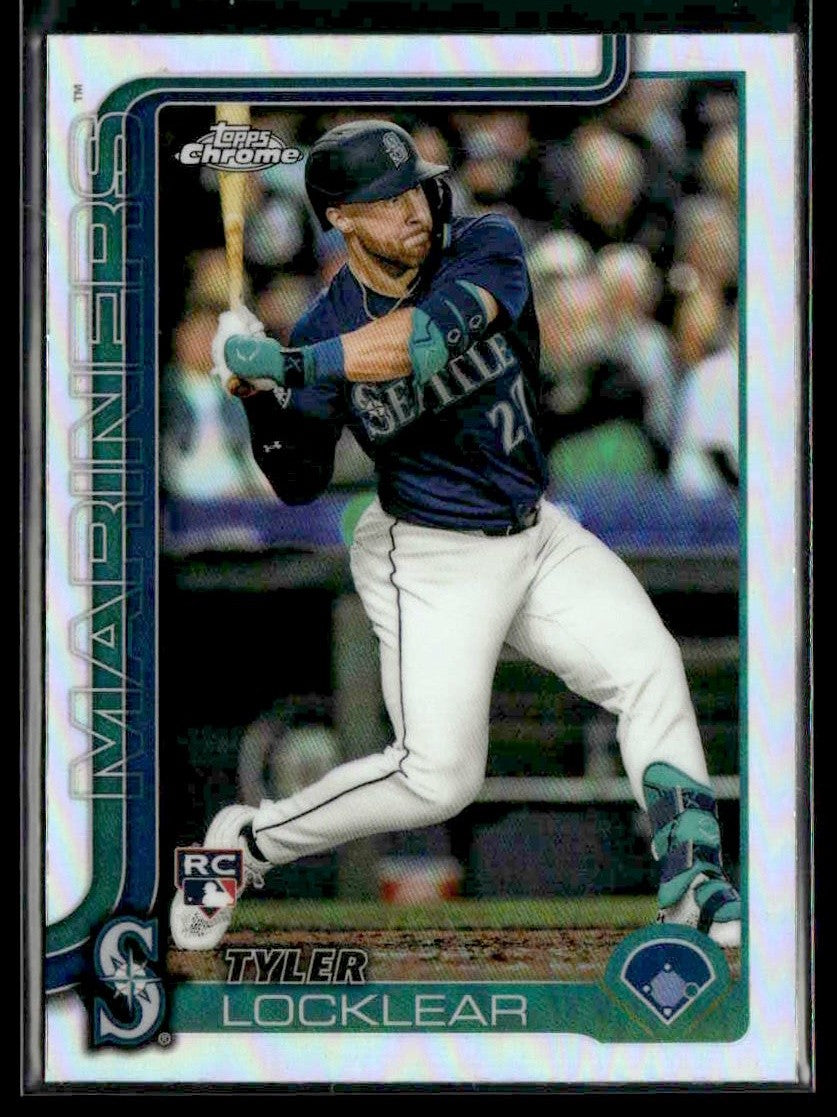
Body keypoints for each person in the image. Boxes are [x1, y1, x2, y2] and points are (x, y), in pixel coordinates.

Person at [170, 120, 741, 950]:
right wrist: (257, 396)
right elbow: (297, 478)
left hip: (533, 528)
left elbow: (423, 343)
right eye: (384, 200)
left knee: (650, 665)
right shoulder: (325, 321)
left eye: (413, 188)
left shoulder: (483, 246)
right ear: (340, 219)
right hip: (430, 552)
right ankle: (245, 843)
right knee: (437, 779)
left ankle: (692, 882)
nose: (412, 209)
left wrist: (288, 367)